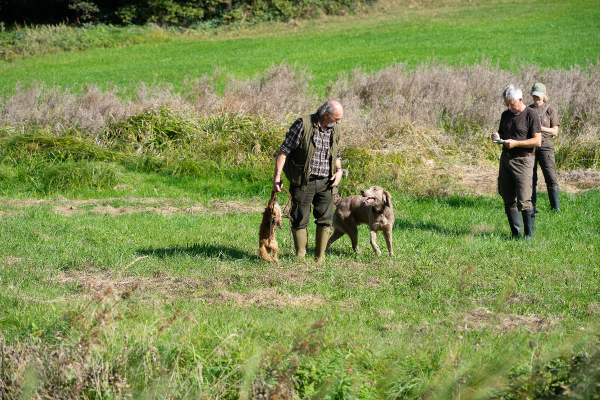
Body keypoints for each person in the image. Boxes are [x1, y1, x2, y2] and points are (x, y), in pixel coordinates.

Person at [273, 100, 344, 262]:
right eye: (337, 119)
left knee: (325, 220)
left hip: (327, 182)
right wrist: (277, 178)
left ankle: (320, 259)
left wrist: (339, 170)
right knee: (299, 218)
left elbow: (336, 151)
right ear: (326, 115)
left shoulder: (335, 129)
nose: (339, 122)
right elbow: (284, 151)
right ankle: (300, 257)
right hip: (303, 181)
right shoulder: (302, 125)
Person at [493, 85, 542, 239]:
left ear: (520, 100)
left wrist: (516, 143)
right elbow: (502, 132)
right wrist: (496, 136)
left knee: (524, 198)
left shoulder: (531, 115)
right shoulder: (505, 114)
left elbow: (537, 141)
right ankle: (516, 234)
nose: (509, 107)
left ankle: (529, 237)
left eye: (512, 104)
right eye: (506, 104)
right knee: (507, 197)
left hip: (524, 160)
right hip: (506, 159)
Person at [529, 83, 560, 213]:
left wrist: (540, 128)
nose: (536, 98)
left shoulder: (550, 109)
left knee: (551, 177)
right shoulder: (528, 110)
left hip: (546, 145)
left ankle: (555, 209)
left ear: (544, 94)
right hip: (531, 146)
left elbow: (555, 132)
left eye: (538, 95)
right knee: (531, 178)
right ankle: (532, 208)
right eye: (534, 95)